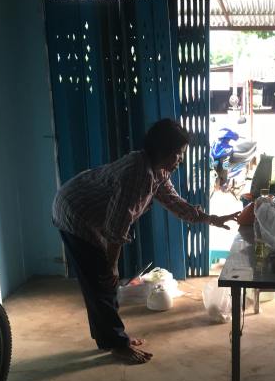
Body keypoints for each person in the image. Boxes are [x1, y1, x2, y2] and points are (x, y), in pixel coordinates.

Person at [53, 119, 240, 364]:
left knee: (102, 280)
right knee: (102, 280)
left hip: (88, 212)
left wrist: (211, 219)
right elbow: (116, 227)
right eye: (178, 154)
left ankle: (109, 337)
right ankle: (116, 343)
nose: (180, 160)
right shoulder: (138, 174)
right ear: (162, 150)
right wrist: (112, 265)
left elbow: (175, 203)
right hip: (74, 212)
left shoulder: (158, 171)